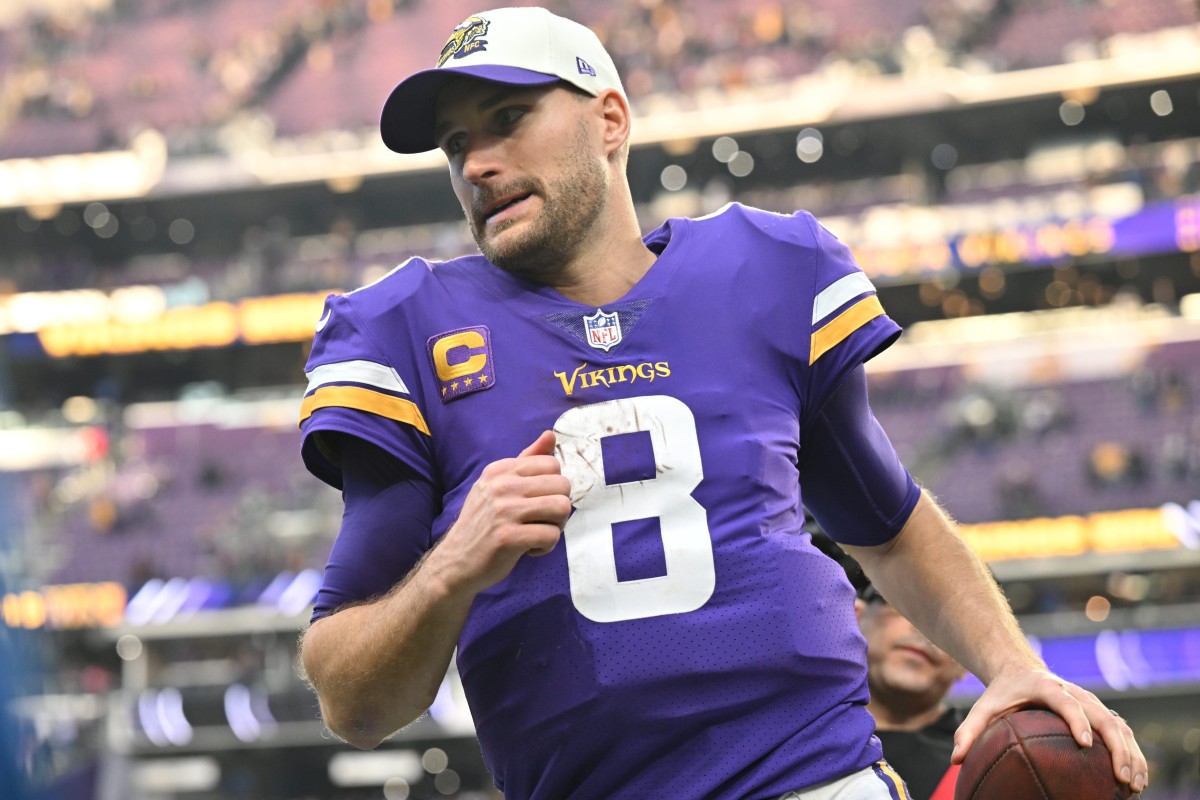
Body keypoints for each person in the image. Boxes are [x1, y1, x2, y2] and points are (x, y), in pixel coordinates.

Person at [296, 7, 1147, 799]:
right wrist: (448, 570)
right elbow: (352, 703)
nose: (477, 163)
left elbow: (886, 525)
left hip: (816, 777)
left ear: (610, 120)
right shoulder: (404, 331)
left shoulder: (766, 271)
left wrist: (1013, 665)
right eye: (454, 144)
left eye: (507, 120)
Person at [857, 580, 966, 800]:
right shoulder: (794, 737)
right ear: (856, 616)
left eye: (951, 620)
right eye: (903, 602)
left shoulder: (987, 760)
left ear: (967, 662)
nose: (924, 628)